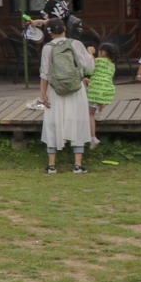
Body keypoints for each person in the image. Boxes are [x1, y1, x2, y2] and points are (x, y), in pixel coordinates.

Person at [40, 17, 95, 174]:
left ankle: (52, 165)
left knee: (52, 122)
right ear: (64, 29)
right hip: (76, 89)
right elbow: (90, 68)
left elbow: (44, 73)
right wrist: (91, 54)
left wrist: (43, 93)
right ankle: (77, 165)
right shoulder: (76, 44)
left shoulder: (47, 48)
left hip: (54, 89)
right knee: (78, 121)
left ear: (49, 33)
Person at [85, 42, 117, 148]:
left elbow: (90, 65)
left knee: (90, 115)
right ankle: (100, 112)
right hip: (107, 90)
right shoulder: (112, 65)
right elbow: (102, 76)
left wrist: (90, 52)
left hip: (95, 91)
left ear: (103, 52)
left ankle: (93, 137)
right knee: (101, 100)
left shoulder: (98, 61)